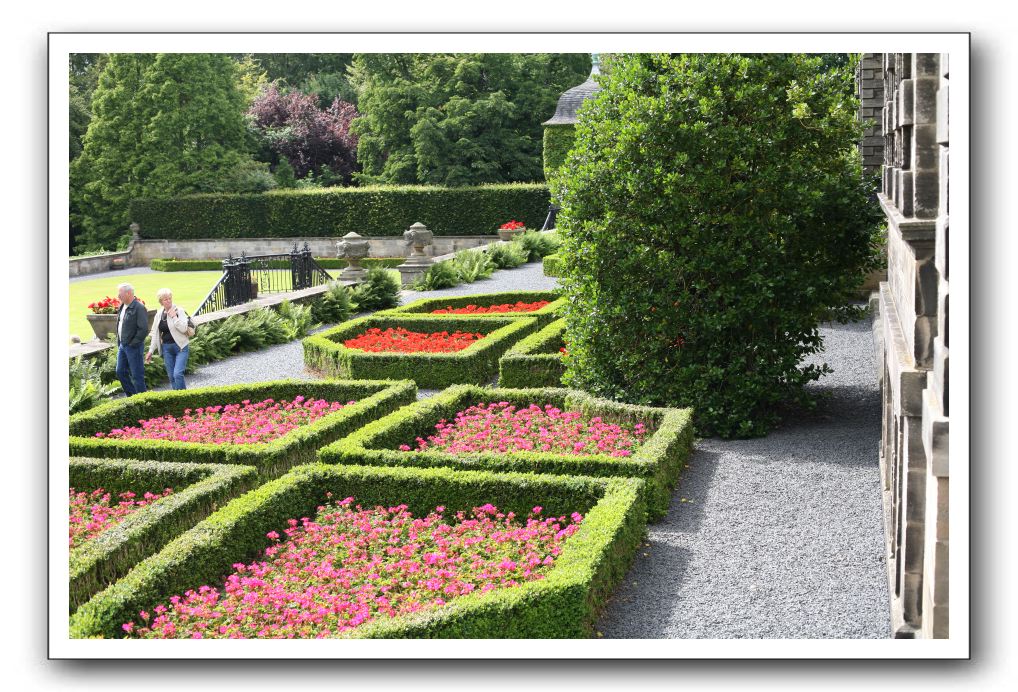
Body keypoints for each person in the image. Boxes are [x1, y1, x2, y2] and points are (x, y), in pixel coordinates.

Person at [145, 287, 191, 390]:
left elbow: (184, 328)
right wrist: (150, 351)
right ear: (161, 302)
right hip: (167, 349)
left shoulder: (179, 311)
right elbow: (155, 334)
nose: (168, 300)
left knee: (177, 374)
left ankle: (183, 398)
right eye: (165, 299)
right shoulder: (159, 314)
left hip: (181, 347)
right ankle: (178, 400)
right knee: (171, 377)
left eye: (170, 298)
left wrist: (174, 317)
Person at [114, 283, 149, 396]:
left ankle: (143, 401)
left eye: (120, 293)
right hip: (122, 346)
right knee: (120, 372)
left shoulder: (139, 308)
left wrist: (133, 344)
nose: (118, 296)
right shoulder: (122, 306)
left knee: (137, 375)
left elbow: (143, 329)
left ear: (128, 293)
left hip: (134, 347)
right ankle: (133, 397)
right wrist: (120, 343)